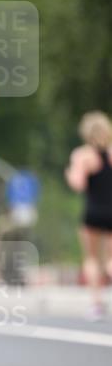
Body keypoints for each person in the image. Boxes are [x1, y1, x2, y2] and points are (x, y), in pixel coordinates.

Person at [65, 111, 112, 319]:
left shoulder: (83, 155)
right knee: (110, 259)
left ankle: (96, 304)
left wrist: (69, 173)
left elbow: (78, 184)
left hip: (93, 212)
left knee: (91, 258)